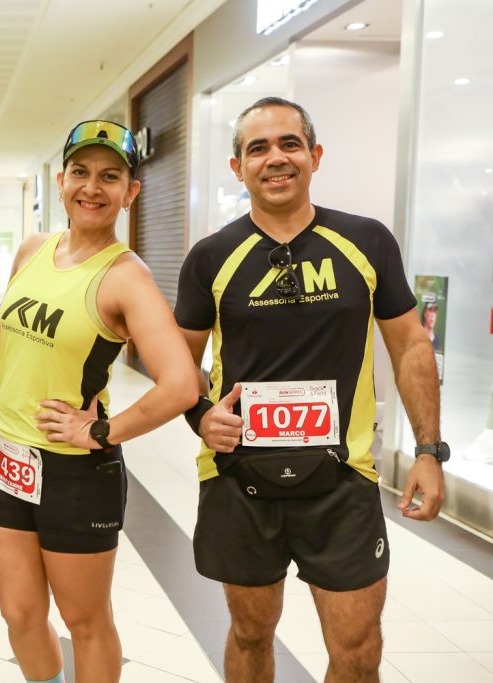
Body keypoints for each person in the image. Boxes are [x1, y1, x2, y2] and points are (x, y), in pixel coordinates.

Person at [174, 96, 446, 682]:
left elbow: (411, 346)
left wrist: (427, 450)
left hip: (342, 481)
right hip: (237, 478)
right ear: (237, 166)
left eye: (289, 144)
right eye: (258, 148)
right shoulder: (211, 257)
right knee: (249, 634)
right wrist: (200, 414)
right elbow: (177, 361)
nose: (276, 158)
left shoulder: (366, 241)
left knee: (357, 649)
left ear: (315, 156)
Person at [0, 120, 199, 683]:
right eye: (81, 172)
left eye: (110, 176)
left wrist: (102, 432)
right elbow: (6, 325)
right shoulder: (33, 249)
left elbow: (180, 384)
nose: (92, 187)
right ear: (61, 180)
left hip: (75, 474)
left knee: (84, 620)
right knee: (20, 614)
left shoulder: (126, 278)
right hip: (4, 462)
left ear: (131, 191)